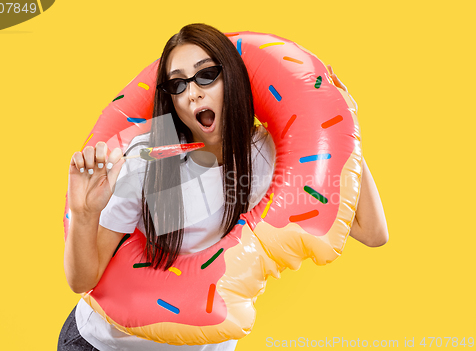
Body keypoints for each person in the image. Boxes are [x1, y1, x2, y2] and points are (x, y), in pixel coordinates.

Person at [59, 23, 388, 351]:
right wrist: (83, 213)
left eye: (206, 76)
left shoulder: (268, 155)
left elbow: (372, 232)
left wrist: (343, 126)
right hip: (106, 344)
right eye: (178, 84)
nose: (193, 93)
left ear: (232, 77)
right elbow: (84, 280)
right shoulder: (146, 159)